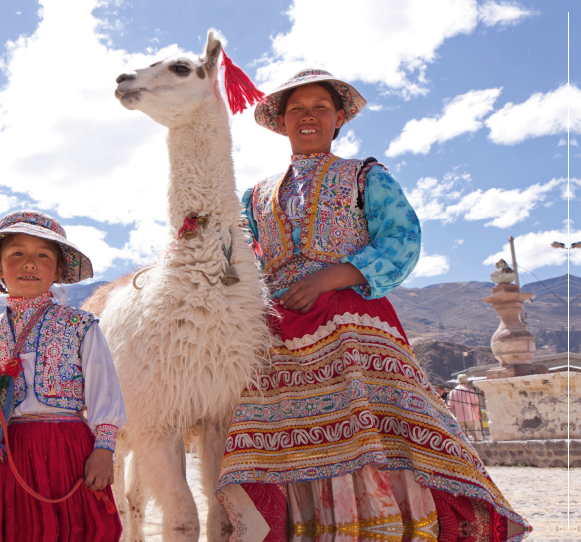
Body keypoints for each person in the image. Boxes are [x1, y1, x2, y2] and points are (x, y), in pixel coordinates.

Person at [214, 70, 529, 541]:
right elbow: (239, 259)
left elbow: (402, 238)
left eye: (320, 107)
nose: (308, 116)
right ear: (281, 122)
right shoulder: (254, 196)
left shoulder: (366, 176)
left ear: (338, 117)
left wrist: (334, 275)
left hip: (353, 326)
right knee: (287, 445)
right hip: (278, 337)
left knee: (374, 434)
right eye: (296, 108)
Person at [0, 211, 126, 542]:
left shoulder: (80, 325)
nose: (29, 263)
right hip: (8, 452)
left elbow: (103, 388)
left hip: (68, 449)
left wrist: (104, 448)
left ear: (58, 268)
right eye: (17, 253)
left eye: (42, 255)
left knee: (78, 529)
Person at [449, 374, 483, 441]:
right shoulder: (470, 391)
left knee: (461, 440)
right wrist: (478, 414)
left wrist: (454, 416)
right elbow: (474, 405)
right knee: (477, 438)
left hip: (459, 418)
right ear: (466, 382)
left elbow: (451, 406)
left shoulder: (452, 392)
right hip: (471, 417)